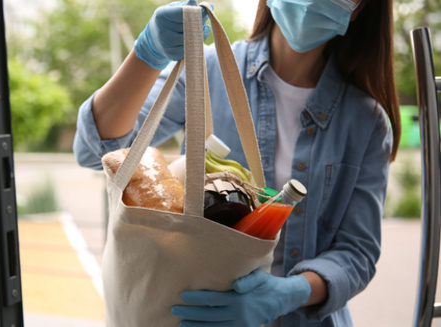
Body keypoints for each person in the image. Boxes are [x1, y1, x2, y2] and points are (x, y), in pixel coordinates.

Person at [73, 0, 401, 325]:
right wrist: (147, 54)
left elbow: (358, 252)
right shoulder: (207, 70)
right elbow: (95, 151)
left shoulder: (366, 121)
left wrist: (289, 293)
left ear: (362, 8)